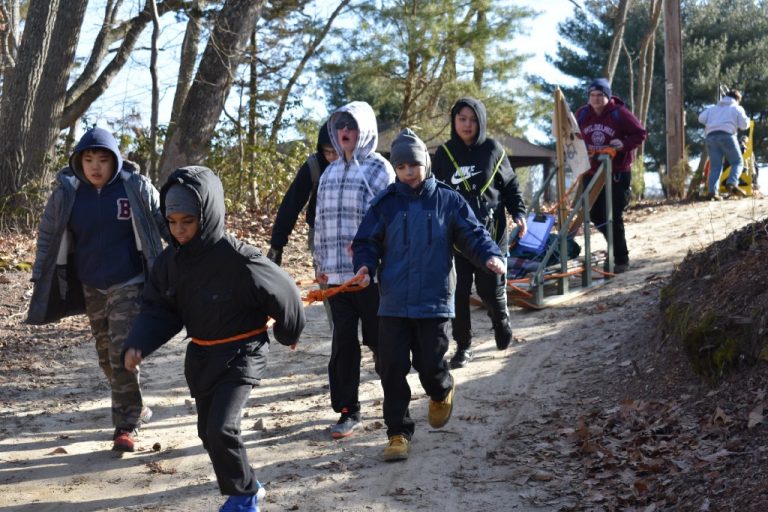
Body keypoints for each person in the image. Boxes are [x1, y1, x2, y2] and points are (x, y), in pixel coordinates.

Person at [122, 166, 306, 512]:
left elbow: (287, 295)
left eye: (187, 222)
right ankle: (249, 483)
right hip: (202, 356)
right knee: (208, 433)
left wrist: (288, 331)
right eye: (172, 221)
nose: (178, 230)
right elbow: (159, 310)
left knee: (222, 428)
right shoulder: (169, 264)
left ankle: (245, 495)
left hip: (243, 352)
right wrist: (138, 343)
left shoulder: (240, 259)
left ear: (207, 214)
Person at [352, 128, 506, 461]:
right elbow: (366, 242)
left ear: (427, 165)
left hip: (434, 301)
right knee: (391, 368)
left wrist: (490, 255)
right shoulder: (385, 204)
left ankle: (441, 391)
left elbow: (473, 234)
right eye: (402, 166)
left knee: (430, 364)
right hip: (392, 302)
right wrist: (365, 267)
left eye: (415, 165)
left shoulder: (448, 201)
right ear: (395, 168)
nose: (409, 172)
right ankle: (397, 433)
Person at [26, 127, 169, 452]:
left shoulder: (133, 187)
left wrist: (188, 248)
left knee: (121, 354)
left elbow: (162, 221)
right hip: (91, 285)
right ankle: (136, 404)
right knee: (105, 355)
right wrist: (39, 274)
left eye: (103, 159)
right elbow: (48, 235)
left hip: (130, 282)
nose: (95, 166)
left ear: (115, 161)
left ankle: (125, 424)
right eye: (88, 159)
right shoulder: (68, 193)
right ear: (79, 162)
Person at [313, 101, 395, 439]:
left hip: (369, 274)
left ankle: (395, 395)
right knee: (343, 342)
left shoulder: (380, 169)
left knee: (378, 340)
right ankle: (348, 409)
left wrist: (374, 255)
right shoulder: (329, 172)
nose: (346, 132)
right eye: (341, 126)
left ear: (366, 130)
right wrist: (319, 264)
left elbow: (392, 218)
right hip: (335, 277)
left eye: (353, 126)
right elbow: (319, 221)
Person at [432, 97, 527, 369]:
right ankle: (464, 347)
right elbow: (433, 193)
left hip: (490, 235)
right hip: (456, 238)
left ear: (481, 122)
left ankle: (501, 321)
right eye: (462, 119)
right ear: (454, 121)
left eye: (473, 120)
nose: (467, 125)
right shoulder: (444, 153)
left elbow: (510, 186)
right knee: (458, 293)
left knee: (489, 289)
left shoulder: (493, 150)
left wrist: (518, 213)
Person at [267, 121, 338, 329]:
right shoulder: (314, 167)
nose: (333, 158)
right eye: (328, 152)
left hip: (355, 234)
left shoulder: (361, 166)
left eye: (337, 152)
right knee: (330, 289)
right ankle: (339, 339)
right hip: (321, 235)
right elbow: (291, 204)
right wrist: (277, 245)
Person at [575, 78, 647, 274]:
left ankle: (621, 259)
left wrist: (623, 144)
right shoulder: (582, 114)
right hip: (591, 171)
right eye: (592, 95)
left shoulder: (619, 113)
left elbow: (640, 134)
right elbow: (573, 136)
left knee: (613, 215)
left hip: (617, 172)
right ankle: (614, 248)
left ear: (607, 96)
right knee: (595, 214)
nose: (596, 99)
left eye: (600, 95)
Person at [698, 90, 750, 200]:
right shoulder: (736, 108)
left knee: (715, 166)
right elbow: (744, 125)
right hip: (727, 136)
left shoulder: (713, 108)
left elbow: (701, 118)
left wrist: (713, 122)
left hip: (711, 137)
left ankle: (712, 192)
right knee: (737, 162)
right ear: (737, 99)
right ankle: (732, 183)